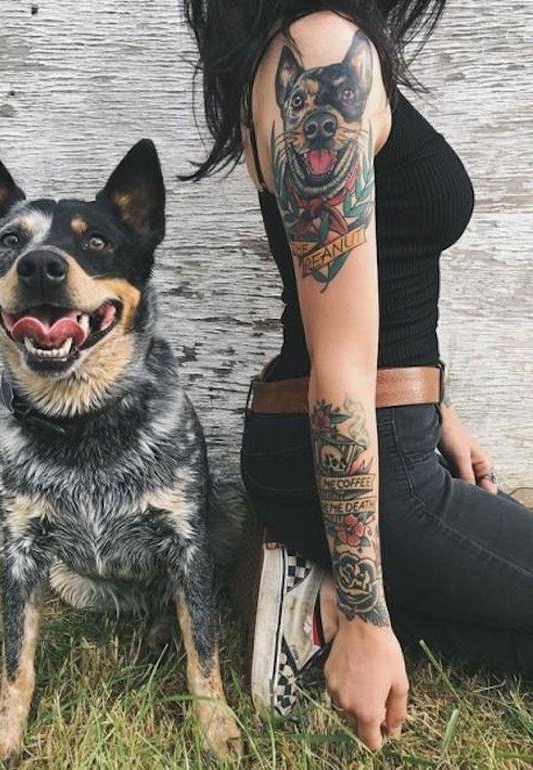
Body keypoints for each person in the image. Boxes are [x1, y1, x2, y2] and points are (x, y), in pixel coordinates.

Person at [182, 0, 533, 752]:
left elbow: (384, 284)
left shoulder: (316, 43)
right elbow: (340, 366)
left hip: (384, 433)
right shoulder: (320, 48)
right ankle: (352, 603)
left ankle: (318, 604)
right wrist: (372, 622)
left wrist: (435, 406)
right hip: (364, 461)